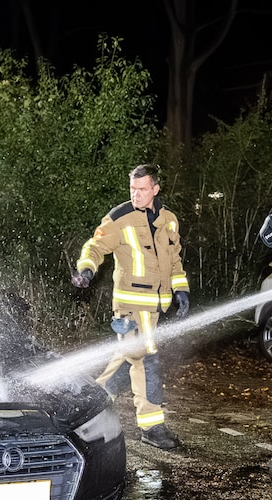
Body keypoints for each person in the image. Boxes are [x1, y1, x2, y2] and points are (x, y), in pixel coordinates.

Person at [71, 164, 189, 450]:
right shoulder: (119, 218)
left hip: (156, 306)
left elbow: (174, 258)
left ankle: (88, 408)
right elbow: (95, 246)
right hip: (130, 306)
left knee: (128, 360)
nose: (136, 194)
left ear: (155, 189)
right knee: (146, 360)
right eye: (132, 189)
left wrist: (181, 289)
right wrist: (86, 269)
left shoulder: (169, 220)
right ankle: (152, 427)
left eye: (142, 189)